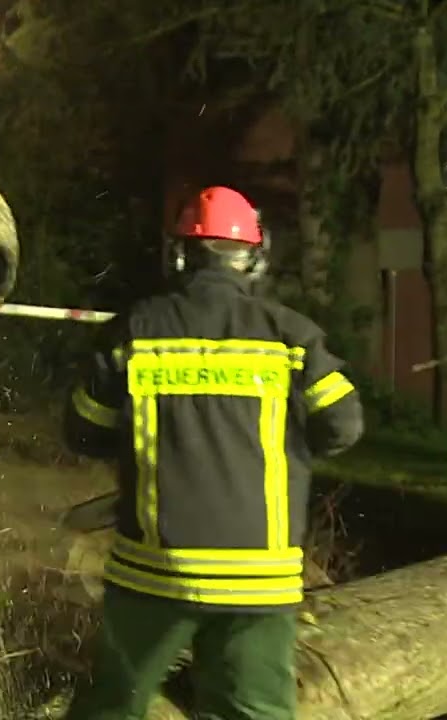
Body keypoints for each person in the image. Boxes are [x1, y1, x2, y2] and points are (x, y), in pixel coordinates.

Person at [61, 186, 364, 720]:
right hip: (260, 577)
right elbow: (343, 426)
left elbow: (85, 430)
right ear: (256, 255)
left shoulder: (136, 332)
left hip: (155, 573)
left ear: (178, 255)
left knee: (112, 708)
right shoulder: (291, 339)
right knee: (257, 712)